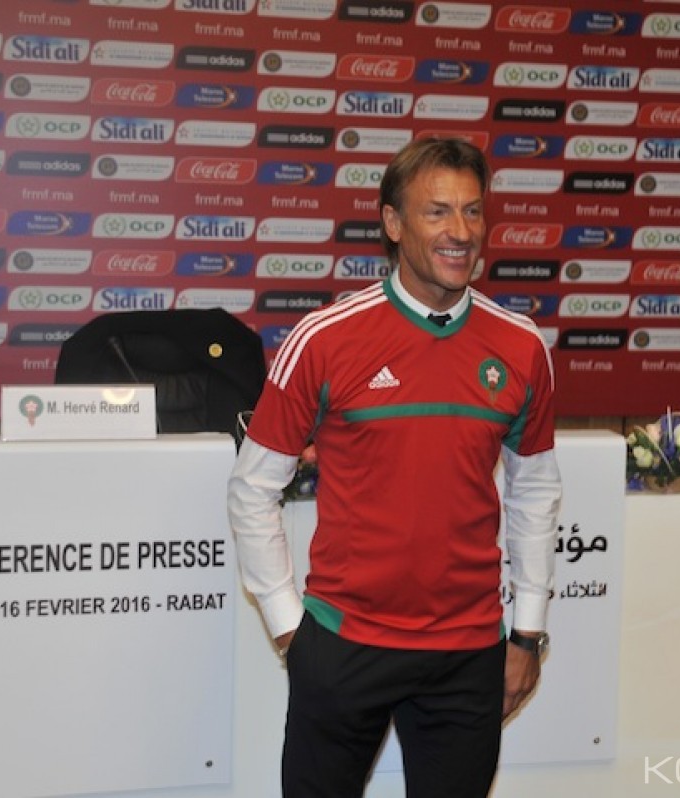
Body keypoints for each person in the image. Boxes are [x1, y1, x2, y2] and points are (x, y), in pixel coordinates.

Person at [227, 137, 562, 797]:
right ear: (392, 223)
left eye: (472, 211)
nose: (460, 231)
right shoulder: (324, 339)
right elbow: (252, 489)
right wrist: (291, 630)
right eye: (437, 212)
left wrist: (526, 634)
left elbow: (536, 493)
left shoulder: (521, 348)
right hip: (343, 645)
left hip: (468, 654)